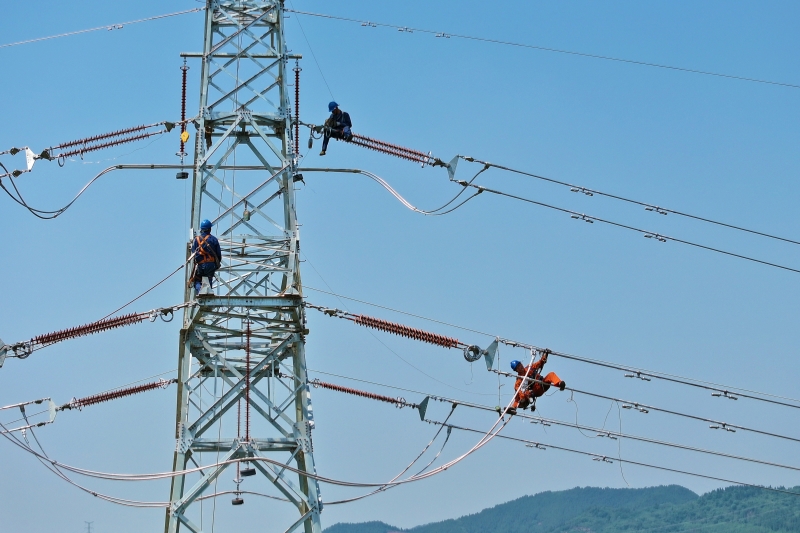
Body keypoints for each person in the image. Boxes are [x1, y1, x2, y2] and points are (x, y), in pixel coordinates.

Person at [505, 351, 565, 415]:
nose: (520, 367)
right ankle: (514, 407)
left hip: (542, 384)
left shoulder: (529, 367)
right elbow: (517, 388)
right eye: (518, 367)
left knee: (551, 374)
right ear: (516, 370)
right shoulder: (519, 379)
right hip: (535, 391)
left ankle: (560, 384)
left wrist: (544, 356)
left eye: (519, 365)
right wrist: (522, 396)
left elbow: (539, 363)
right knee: (517, 394)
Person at [190, 219, 222, 295]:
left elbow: (193, 253)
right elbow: (218, 254)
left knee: (197, 280)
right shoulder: (214, 239)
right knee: (209, 279)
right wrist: (216, 265)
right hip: (211, 264)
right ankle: (208, 293)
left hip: (200, 264)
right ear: (210, 229)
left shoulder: (196, 239)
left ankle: (200, 292)